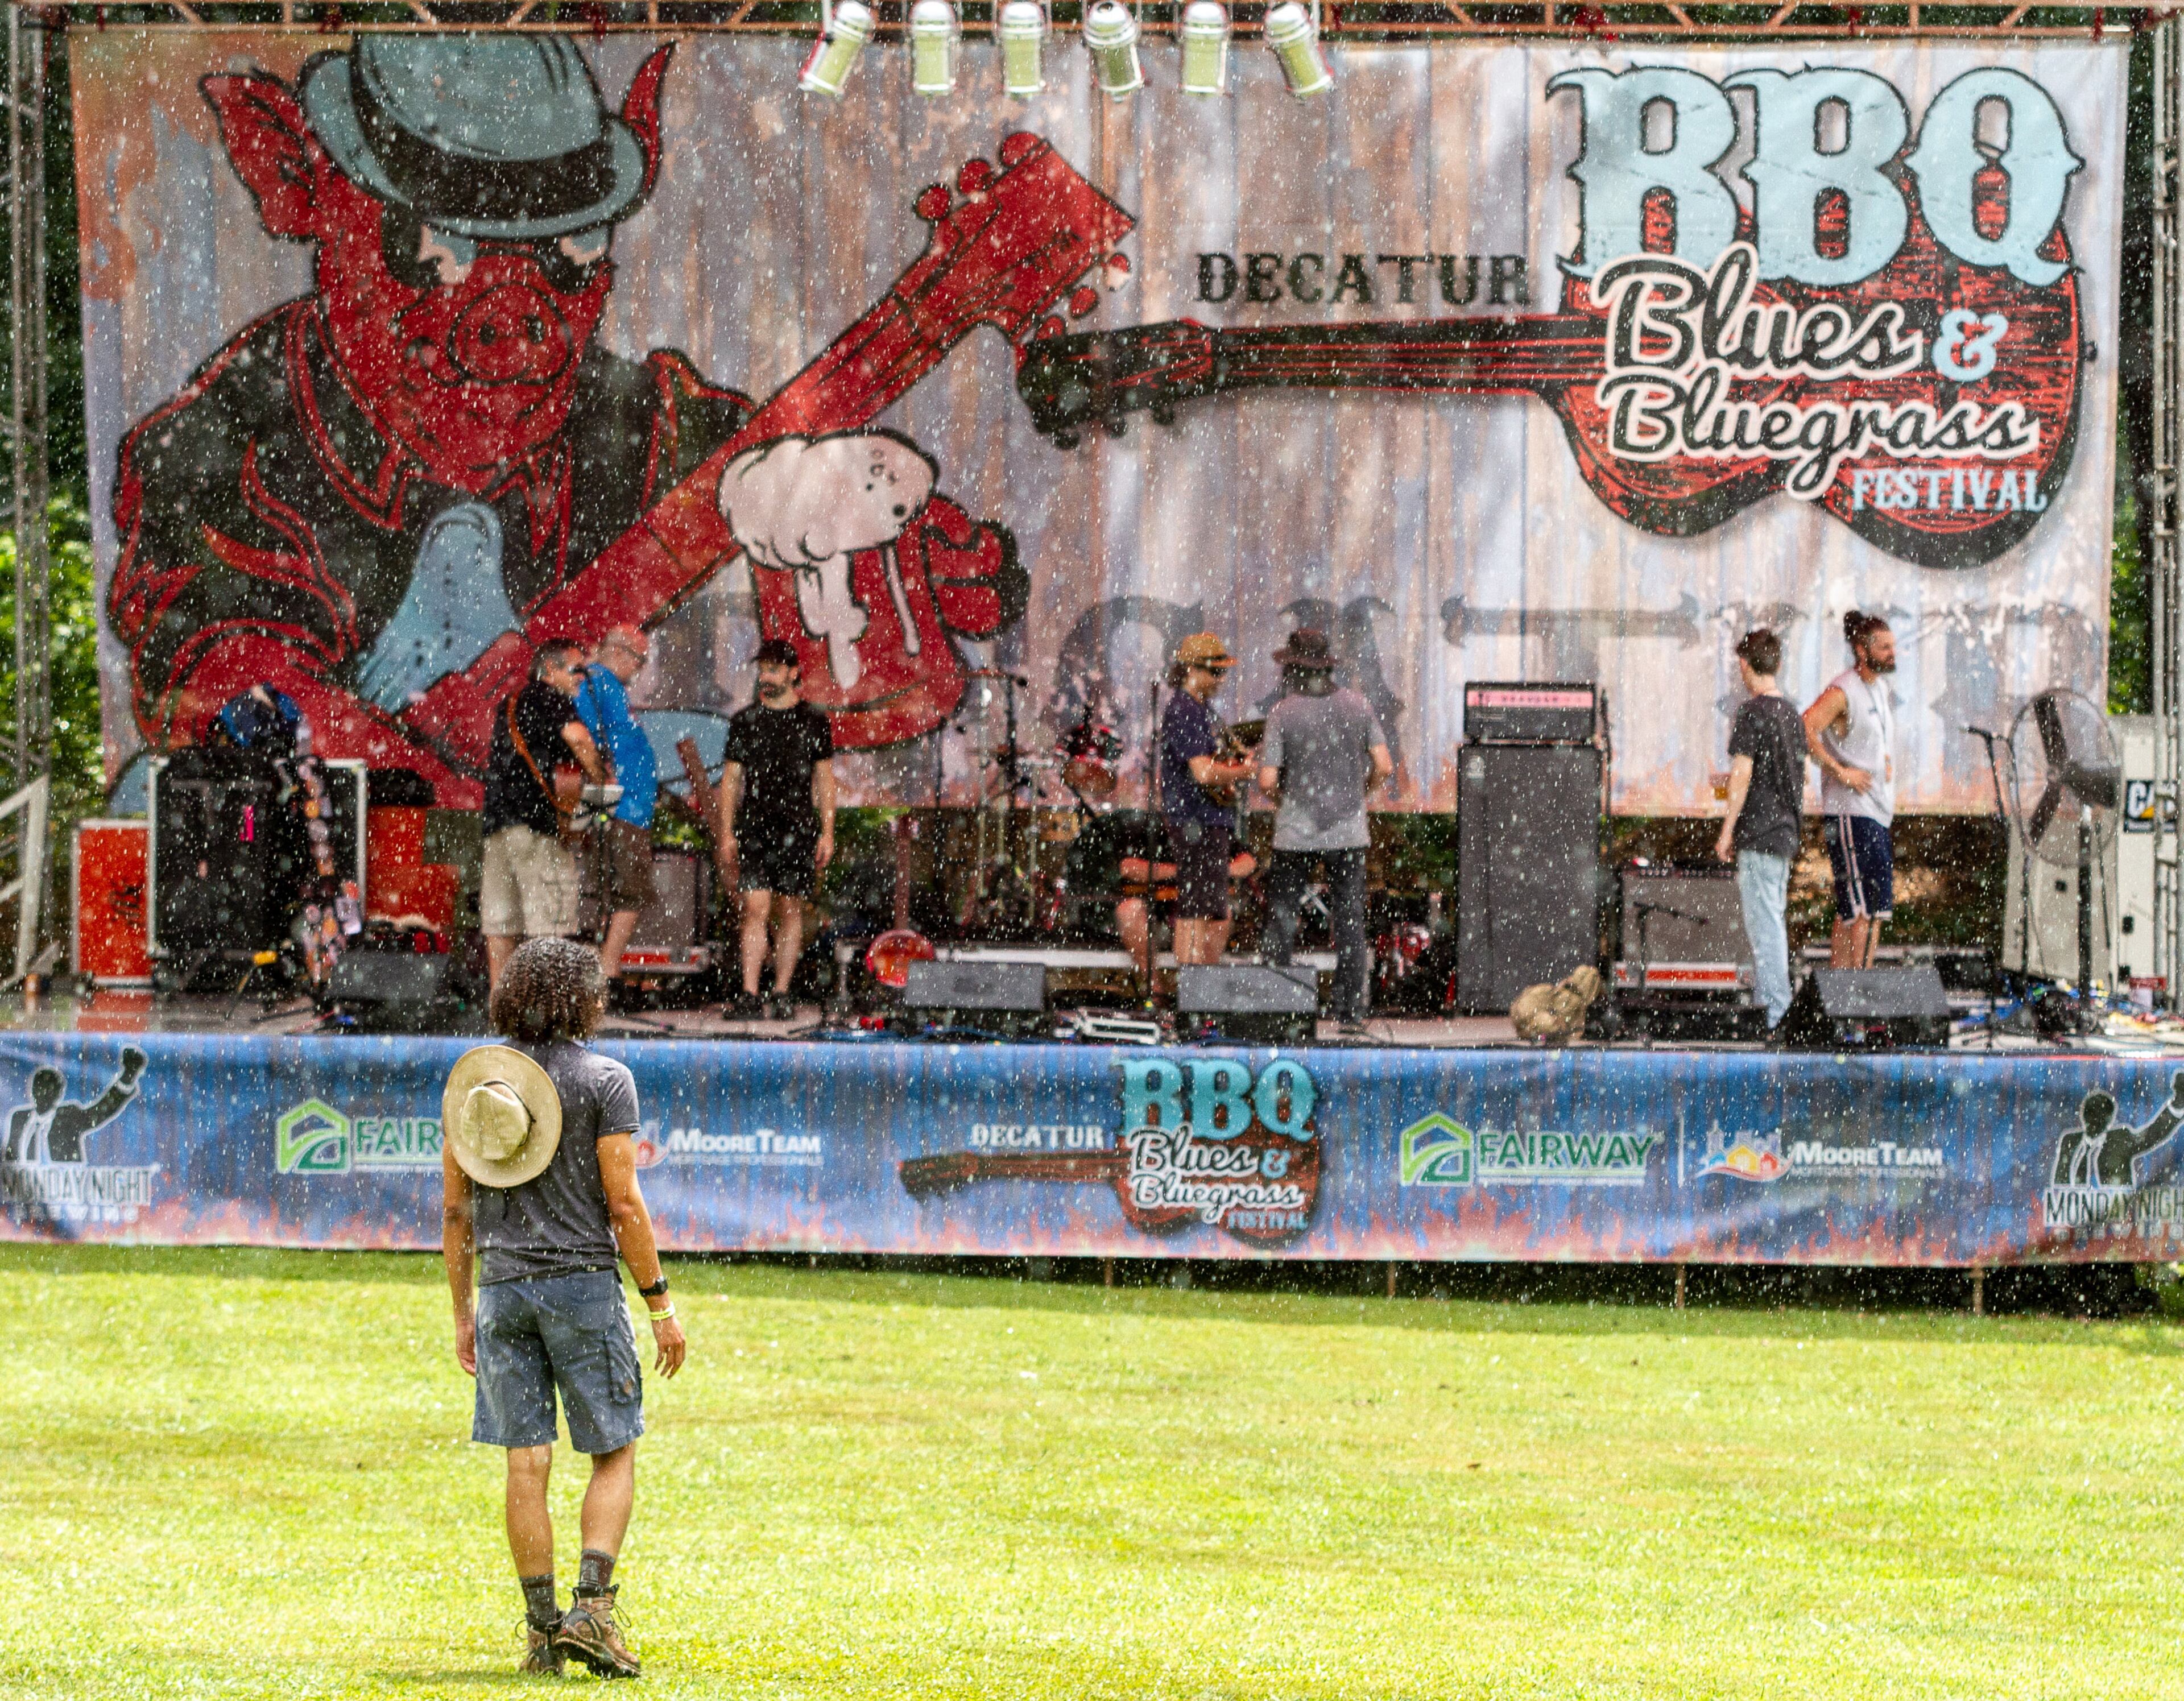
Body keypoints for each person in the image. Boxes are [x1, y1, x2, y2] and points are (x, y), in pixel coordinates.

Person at [440, 937, 688, 1680]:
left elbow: (456, 1213)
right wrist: (660, 1301)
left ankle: (542, 1633)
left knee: (527, 1460)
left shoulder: (477, 1082)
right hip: (581, 1285)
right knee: (614, 1449)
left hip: (503, 1291)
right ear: (584, 996)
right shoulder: (606, 1079)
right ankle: (593, 1610)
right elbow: (623, 1201)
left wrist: (462, 1311)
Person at [1255, 630, 1392, 1029]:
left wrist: (1286, 801)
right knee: (1350, 921)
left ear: (1295, 668)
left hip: (1296, 831)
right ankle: (1350, 1012)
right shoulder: (1359, 706)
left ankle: (1277, 1007)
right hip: (1348, 831)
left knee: (1283, 918)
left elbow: (1266, 780)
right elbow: (1383, 766)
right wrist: (1358, 793)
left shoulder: (1283, 713)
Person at [718, 639, 836, 1019]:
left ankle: (782, 991)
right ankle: (750, 992)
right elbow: (731, 780)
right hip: (755, 825)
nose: (766, 675)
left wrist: (827, 831)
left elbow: (825, 779)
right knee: (755, 906)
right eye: (762, 668)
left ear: (792, 672)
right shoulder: (746, 720)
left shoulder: (813, 720)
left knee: (790, 908)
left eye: (773, 669)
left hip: (798, 825)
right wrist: (726, 832)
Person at [482, 642, 607, 995]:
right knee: (548, 925)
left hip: (499, 826)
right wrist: (602, 779)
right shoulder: (549, 697)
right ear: (549, 671)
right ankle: (546, 1015)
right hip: (537, 827)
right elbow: (579, 740)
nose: (581, 678)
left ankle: (503, 1013)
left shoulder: (510, 703)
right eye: (575, 669)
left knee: (501, 925)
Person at [1714, 628, 1807, 1028]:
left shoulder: (1752, 713)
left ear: (1744, 666)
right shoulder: (1792, 715)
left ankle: (1776, 1013)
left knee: (1765, 927)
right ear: (1779, 664)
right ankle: (1769, 1006)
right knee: (1773, 920)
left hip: (1760, 831)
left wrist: (1727, 829)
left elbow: (1743, 773)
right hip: (1785, 831)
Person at [1804, 611, 1898, 969]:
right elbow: (1806, 728)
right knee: (1864, 909)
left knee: (1862, 908)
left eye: (1893, 646)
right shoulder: (1843, 690)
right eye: (1885, 647)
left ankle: (1841, 988)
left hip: (1877, 810)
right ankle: (1858, 993)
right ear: (1862, 650)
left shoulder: (1881, 688)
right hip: (1851, 812)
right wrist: (1840, 771)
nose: (1893, 653)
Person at [1158, 633, 1256, 968]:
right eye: (1215, 672)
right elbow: (1202, 773)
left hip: (1205, 820)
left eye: (1223, 672)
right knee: (1195, 911)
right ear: (1190, 670)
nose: (1221, 680)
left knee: (1203, 910)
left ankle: (1196, 990)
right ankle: (1192, 995)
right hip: (1195, 820)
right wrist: (1242, 773)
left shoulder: (1201, 709)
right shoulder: (1184, 709)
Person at [573, 626, 661, 987]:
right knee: (628, 889)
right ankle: (606, 970)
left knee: (615, 888)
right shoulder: (595, 683)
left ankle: (602, 967)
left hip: (623, 802)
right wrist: (602, 792)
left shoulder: (602, 686)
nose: (639, 670)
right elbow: (584, 741)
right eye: (639, 661)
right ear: (622, 652)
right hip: (617, 802)